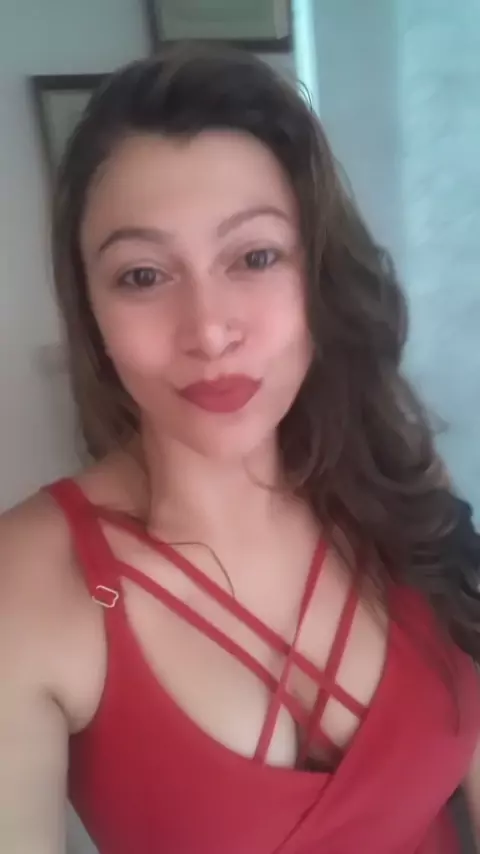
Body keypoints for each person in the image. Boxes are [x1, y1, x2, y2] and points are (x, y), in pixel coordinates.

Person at [1, 42, 480, 854]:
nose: (209, 331)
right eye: (143, 275)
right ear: (92, 313)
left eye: (255, 257)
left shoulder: (397, 488)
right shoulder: (26, 584)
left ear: (317, 274)